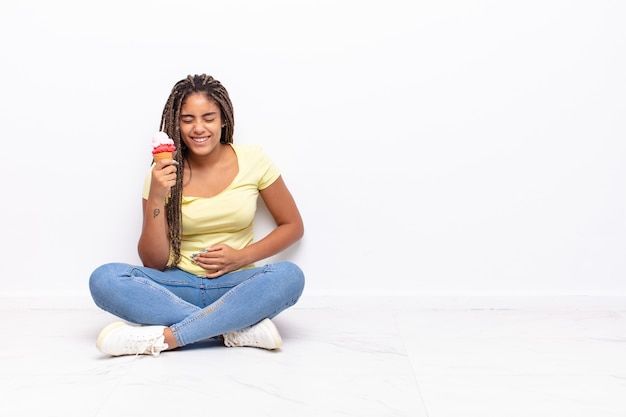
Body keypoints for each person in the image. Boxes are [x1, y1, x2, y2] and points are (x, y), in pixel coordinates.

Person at [89, 74, 305, 357]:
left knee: (290, 276)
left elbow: (292, 226)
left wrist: (241, 257)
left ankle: (169, 339)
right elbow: (152, 261)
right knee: (104, 279)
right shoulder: (161, 174)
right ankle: (233, 328)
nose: (198, 128)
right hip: (178, 286)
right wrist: (156, 195)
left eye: (209, 117)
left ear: (223, 120)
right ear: (175, 124)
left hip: (235, 285)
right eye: (187, 119)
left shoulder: (254, 159)